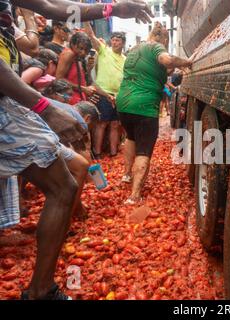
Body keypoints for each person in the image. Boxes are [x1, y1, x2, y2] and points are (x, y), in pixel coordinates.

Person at [0, 0, 154, 300]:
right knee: (63, 186)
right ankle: (41, 290)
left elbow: (55, 7)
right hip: (9, 105)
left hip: (9, 104)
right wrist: (44, 107)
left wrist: (111, 9)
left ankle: (41, 288)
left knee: (69, 179)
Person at [116, 22, 193, 204]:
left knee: (131, 138)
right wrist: (186, 62)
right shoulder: (156, 47)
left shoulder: (135, 49)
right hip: (144, 105)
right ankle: (134, 195)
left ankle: (127, 175)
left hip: (124, 103)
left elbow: (153, 69)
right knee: (144, 148)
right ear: (163, 38)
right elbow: (167, 60)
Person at [84, 22, 126, 158]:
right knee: (102, 123)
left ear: (123, 43)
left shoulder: (125, 59)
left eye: (118, 40)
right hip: (103, 94)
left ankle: (113, 152)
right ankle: (97, 152)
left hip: (119, 96)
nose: (114, 43)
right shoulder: (104, 50)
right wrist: (86, 17)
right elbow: (91, 35)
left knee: (115, 124)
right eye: (113, 40)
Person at [55, 31, 96, 105]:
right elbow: (59, 79)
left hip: (77, 100)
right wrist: (84, 89)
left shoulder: (77, 57)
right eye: (80, 48)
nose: (83, 52)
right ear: (72, 44)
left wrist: (89, 69)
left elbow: (79, 79)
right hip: (68, 100)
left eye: (86, 50)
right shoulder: (69, 54)